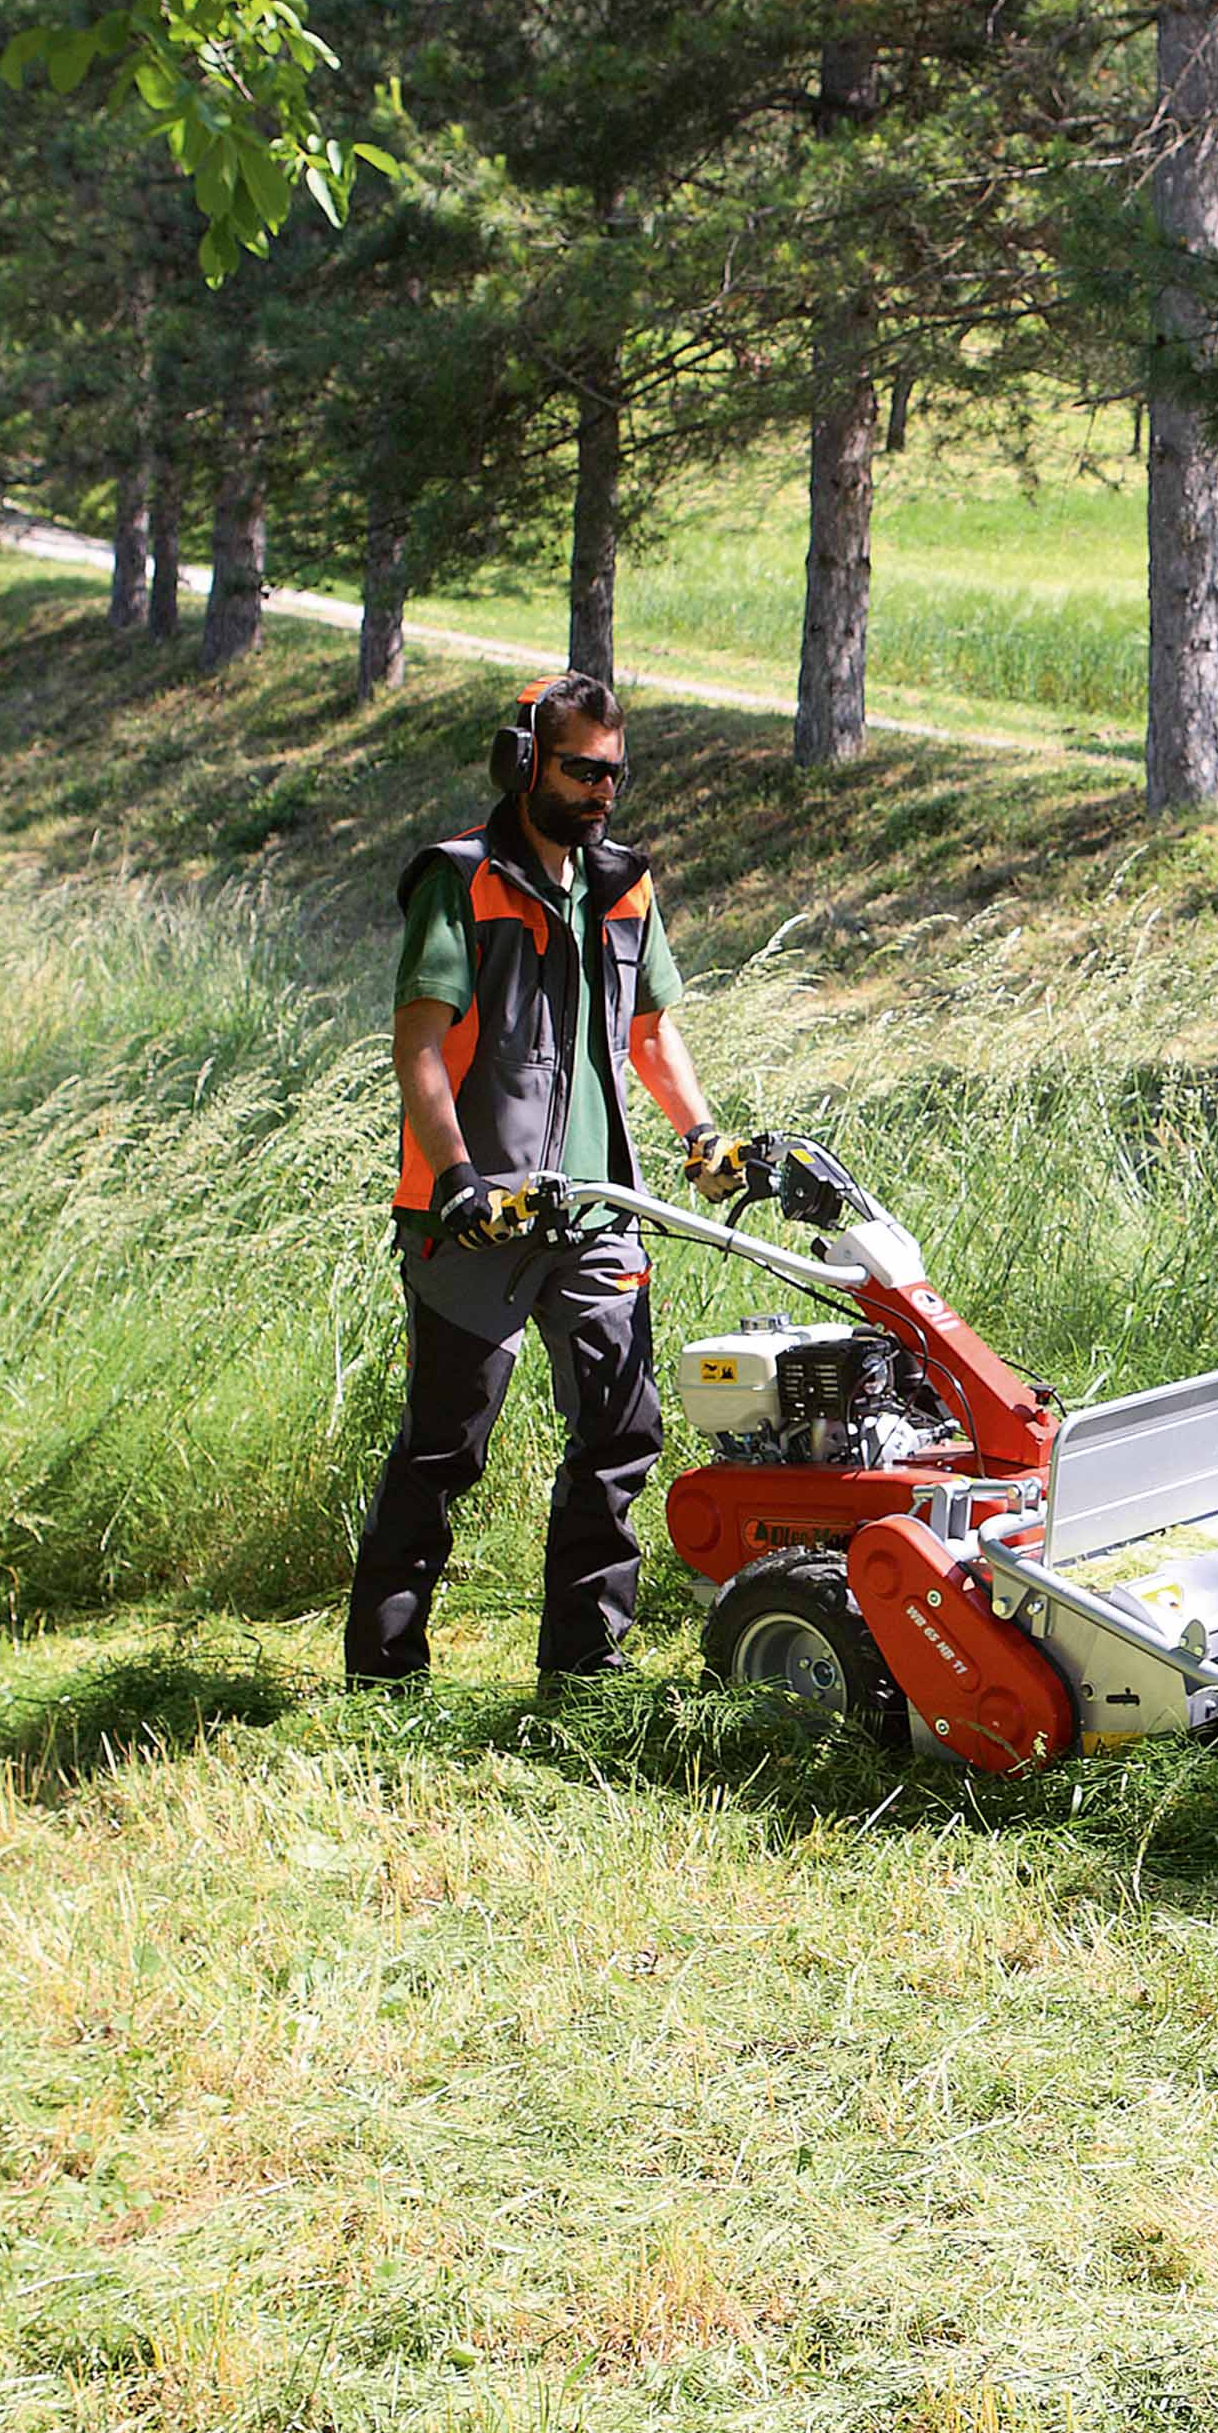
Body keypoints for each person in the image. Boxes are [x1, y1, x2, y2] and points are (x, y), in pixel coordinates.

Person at [344, 671, 767, 1704]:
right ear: (525, 761)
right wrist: (454, 1178)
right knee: (446, 1449)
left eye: (614, 775)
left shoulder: (622, 885)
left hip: (595, 1209)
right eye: (581, 770)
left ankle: (585, 1670)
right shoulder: (462, 880)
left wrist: (702, 1134)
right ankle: (384, 1675)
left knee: (622, 1430)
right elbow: (420, 1049)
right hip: (473, 1220)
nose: (601, 795)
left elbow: (653, 1030)